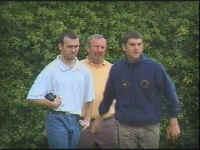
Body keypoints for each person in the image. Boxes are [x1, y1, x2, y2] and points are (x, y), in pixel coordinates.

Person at [99, 30, 181, 148]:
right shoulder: (117, 69)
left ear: (143, 46)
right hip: (125, 127)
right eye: (132, 45)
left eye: (139, 44)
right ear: (124, 47)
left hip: (150, 127)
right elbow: (108, 95)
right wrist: (100, 116)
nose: (136, 48)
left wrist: (173, 121)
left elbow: (170, 93)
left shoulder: (154, 67)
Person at [26, 31, 95, 149]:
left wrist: (87, 119)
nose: (73, 50)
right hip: (56, 119)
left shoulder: (84, 71)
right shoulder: (50, 69)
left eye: (76, 46)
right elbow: (32, 96)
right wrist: (50, 103)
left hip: (75, 121)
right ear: (60, 46)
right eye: (70, 46)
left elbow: (90, 98)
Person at [79, 34, 118, 148]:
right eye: (96, 47)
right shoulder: (77, 67)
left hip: (108, 123)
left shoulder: (113, 69)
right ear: (88, 48)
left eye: (102, 47)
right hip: (82, 123)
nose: (99, 50)